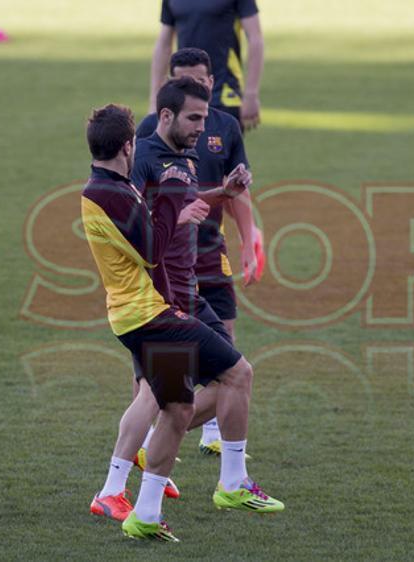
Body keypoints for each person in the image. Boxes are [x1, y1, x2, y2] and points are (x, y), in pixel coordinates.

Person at [82, 99, 283, 542]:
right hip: (149, 317)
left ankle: (145, 514)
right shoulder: (109, 194)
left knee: (177, 407)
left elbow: (151, 228)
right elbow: (153, 250)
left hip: (140, 314)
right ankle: (232, 484)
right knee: (238, 373)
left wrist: (195, 199)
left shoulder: (109, 186)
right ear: (129, 146)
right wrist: (174, 196)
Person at [139, 47, 261, 455]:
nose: (199, 123)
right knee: (160, 384)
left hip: (207, 255)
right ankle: (132, 460)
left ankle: (206, 443)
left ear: (212, 81)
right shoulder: (151, 140)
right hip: (165, 272)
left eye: (200, 78)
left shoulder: (219, 128)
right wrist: (174, 218)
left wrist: (248, 235)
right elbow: (135, 211)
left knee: (227, 356)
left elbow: (232, 191)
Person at [149, 0, 264, 131]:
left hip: (224, 95)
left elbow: (255, 39)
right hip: (183, 97)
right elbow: (164, 45)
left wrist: (251, 94)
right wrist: (155, 102)